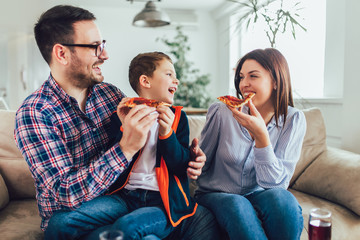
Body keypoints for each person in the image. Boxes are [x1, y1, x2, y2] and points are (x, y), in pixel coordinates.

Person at [14, 5, 216, 240]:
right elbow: (65, 193)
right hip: (92, 209)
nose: (105, 55)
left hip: (128, 202)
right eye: (94, 47)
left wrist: (191, 159)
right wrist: (126, 147)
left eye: (104, 44)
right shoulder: (35, 113)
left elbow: (169, 155)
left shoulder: (110, 95)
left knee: (139, 234)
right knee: (61, 226)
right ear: (61, 54)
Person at [194, 48, 307, 240]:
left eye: (253, 76)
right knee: (237, 204)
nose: (244, 84)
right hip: (215, 194)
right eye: (241, 77)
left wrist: (262, 138)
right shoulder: (222, 112)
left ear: (276, 82)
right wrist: (193, 159)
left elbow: (278, 186)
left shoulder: (293, 119)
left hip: (259, 194)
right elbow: (200, 167)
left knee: (284, 200)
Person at [100, 51, 210, 240]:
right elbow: (114, 161)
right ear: (145, 81)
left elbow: (180, 167)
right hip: (125, 196)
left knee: (127, 226)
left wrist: (167, 133)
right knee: (65, 221)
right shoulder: (122, 115)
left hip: (164, 202)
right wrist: (124, 126)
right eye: (169, 74)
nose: (176, 80)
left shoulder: (178, 118)